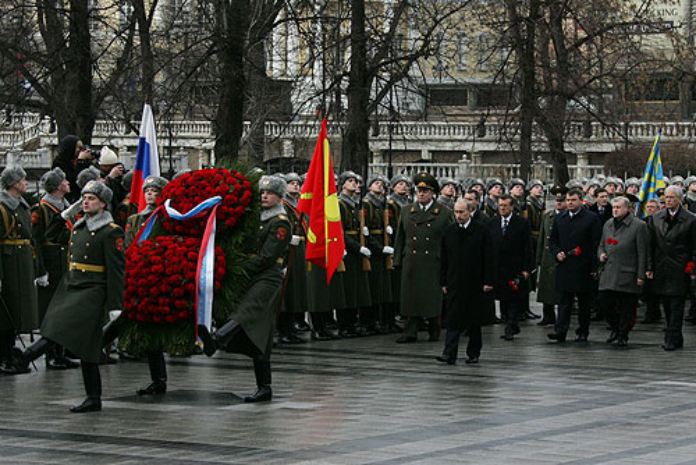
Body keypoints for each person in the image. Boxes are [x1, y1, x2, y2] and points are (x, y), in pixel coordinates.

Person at [15, 181, 125, 412]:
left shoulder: (111, 231)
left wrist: (115, 305)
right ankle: (93, 397)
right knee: (83, 343)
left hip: (93, 290)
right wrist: (68, 212)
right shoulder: (79, 226)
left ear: (104, 204)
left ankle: (28, 354)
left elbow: (116, 270)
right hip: (73, 284)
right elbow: (52, 234)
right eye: (83, 197)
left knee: (64, 328)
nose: (85, 202)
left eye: (92, 198)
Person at [198, 175, 291, 402]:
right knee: (260, 334)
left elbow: (268, 256)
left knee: (247, 310)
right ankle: (264, 387)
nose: (265, 196)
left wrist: (240, 266)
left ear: (279, 197)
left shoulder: (280, 221)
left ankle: (217, 340)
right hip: (252, 275)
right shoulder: (258, 218)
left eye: (270, 193)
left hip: (268, 278)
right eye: (262, 193)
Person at [394, 172, 453, 343]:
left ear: (433, 193)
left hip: (433, 261)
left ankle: (434, 327)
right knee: (410, 296)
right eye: (419, 190)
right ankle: (410, 330)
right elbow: (400, 238)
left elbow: (449, 241)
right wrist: (397, 260)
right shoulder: (406, 211)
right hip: (411, 261)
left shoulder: (443, 213)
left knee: (431, 298)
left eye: (425, 191)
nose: (421, 194)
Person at [32, 167, 79, 370]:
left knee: (63, 310)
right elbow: (36, 241)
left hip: (64, 262)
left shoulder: (65, 207)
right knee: (51, 310)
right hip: (51, 265)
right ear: (57, 186)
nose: (68, 183)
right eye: (64, 180)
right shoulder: (41, 209)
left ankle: (60, 351)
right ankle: (51, 354)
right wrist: (40, 270)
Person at [437, 199, 494, 364]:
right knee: (453, 319)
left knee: (474, 320)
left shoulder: (481, 230)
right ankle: (449, 353)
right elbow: (444, 258)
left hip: (475, 282)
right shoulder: (449, 231)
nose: (458, 215)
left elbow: (489, 257)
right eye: (456, 212)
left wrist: (488, 281)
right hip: (455, 281)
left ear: (470, 212)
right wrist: (443, 282)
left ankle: (473, 352)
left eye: (462, 212)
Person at [547, 189, 602, 343]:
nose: (570, 203)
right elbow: (553, 241)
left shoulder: (591, 218)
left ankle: (582, 331)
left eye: (573, 200)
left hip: (583, 267)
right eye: (568, 200)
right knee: (564, 301)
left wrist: (594, 267)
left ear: (581, 201)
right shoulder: (560, 218)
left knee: (584, 303)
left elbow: (595, 243)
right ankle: (560, 331)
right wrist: (557, 252)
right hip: (565, 266)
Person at [0, 167, 40, 375]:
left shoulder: (21, 205)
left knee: (17, 312)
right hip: (8, 264)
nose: (26, 182)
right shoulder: (2, 208)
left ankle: (9, 353)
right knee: (6, 314)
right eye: (23, 179)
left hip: (21, 263)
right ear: (13, 183)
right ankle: (3, 356)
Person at [646, 186, 696, 351]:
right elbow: (651, 246)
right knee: (666, 303)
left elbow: (694, 246)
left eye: (672, 197)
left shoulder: (691, 219)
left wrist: (691, 266)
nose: (668, 200)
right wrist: (650, 266)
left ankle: (672, 337)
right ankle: (674, 336)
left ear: (680, 199)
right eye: (666, 197)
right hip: (662, 266)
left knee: (677, 304)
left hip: (680, 267)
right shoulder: (656, 218)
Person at [597, 197, 649, 347]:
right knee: (604, 302)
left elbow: (642, 252)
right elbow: (601, 245)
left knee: (627, 308)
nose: (615, 210)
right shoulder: (608, 224)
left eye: (618, 207)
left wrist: (640, 275)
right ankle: (615, 327)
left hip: (628, 272)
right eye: (613, 207)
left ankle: (622, 334)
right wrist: (601, 254)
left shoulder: (639, 226)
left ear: (628, 208)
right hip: (609, 272)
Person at [488, 194, 532, 340]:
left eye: (505, 205)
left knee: (514, 298)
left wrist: (526, 268)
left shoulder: (522, 223)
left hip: (515, 268)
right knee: (503, 299)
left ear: (512, 206)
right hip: (497, 268)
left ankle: (511, 327)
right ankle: (509, 323)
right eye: (500, 205)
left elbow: (527, 247)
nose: (502, 208)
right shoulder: (492, 223)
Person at [337, 171, 372, 337]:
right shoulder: (340, 204)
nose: (355, 184)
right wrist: (357, 247)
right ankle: (345, 325)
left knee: (355, 288)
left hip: (355, 250)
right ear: (343, 184)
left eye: (356, 181)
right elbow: (340, 231)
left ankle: (352, 323)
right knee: (347, 288)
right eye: (350, 181)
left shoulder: (353, 203)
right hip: (348, 251)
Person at [277, 172, 310, 344]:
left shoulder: (297, 204)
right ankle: (283, 329)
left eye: (297, 183)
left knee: (296, 290)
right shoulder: (284, 205)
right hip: (288, 249)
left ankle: (291, 327)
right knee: (287, 292)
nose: (296, 185)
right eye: (291, 183)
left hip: (299, 249)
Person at [362, 176, 394, 333]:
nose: (380, 186)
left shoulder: (382, 202)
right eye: (376, 183)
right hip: (373, 248)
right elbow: (365, 228)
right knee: (374, 286)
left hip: (382, 243)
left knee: (383, 286)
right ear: (369, 187)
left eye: (381, 184)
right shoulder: (367, 203)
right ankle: (371, 321)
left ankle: (382, 320)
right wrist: (379, 248)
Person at [536, 185, 567, 327]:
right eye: (557, 200)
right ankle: (547, 315)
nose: (559, 203)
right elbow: (543, 238)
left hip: (561, 256)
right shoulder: (547, 215)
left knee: (559, 289)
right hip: (547, 256)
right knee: (545, 288)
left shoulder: (567, 217)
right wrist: (539, 258)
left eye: (562, 200)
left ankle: (561, 318)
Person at [124, 176, 168, 248]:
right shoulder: (134, 219)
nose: (149, 193)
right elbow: (128, 244)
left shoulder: (167, 217)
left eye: (154, 190)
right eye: (146, 191)